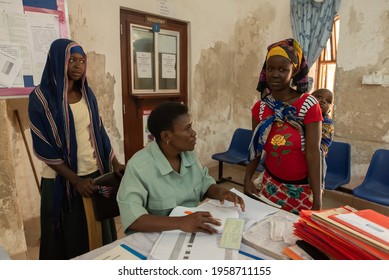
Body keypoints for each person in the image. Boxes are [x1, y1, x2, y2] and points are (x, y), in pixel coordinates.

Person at [28, 38, 125, 259]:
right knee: (70, 236)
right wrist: (75, 179)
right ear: (57, 61)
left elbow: (99, 131)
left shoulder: (87, 94)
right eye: (71, 60)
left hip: (93, 173)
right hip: (63, 179)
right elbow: (43, 145)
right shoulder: (41, 98)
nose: (78, 65)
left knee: (100, 231)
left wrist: (115, 162)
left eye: (82, 61)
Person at [117, 102, 245, 234]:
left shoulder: (189, 155)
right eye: (187, 129)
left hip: (188, 232)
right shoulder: (139, 167)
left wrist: (220, 192)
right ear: (166, 136)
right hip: (155, 237)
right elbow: (133, 220)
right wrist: (181, 222)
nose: (194, 133)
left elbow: (204, 184)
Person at [244, 38, 323, 214]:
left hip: (301, 189)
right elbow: (256, 147)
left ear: (293, 71)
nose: (275, 74)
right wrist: (247, 178)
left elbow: (313, 152)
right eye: (270, 69)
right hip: (270, 185)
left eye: (282, 69)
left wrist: (317, 199)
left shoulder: (308, 105)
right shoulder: (261, 107)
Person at [311, 88, 335, 189]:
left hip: (317, 155)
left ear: (330, 108)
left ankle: (316, 193)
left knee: (316, 181)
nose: (323, 101)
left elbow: (323, 143)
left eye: (328, 101)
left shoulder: (327, 122)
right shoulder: (300, 115)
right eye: (319, 97)